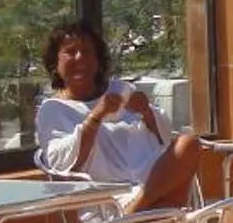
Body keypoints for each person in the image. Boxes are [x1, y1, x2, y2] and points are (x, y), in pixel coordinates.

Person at [32, 21, 204, 210]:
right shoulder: (53, 109)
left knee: (189, 144)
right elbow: (61, 164)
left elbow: (164, 137)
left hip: (148, 176)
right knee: (173, 202)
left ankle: (134, 212)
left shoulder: (120, 90)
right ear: (55, 64)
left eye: (87, 51)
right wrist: (95, 118)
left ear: (98, 62)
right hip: (108, 195)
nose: (80, 58)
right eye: (71, 52)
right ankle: (139, 213)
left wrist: (146, 112)